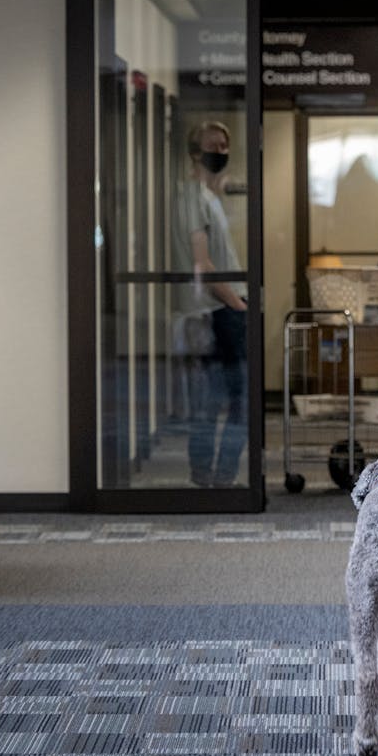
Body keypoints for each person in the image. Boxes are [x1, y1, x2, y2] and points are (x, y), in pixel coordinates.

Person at [171, 120, 247, 488]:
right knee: (227, 399)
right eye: (212, 145)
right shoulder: (190, 195)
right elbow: (203, 264)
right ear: (194, 152)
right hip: (215, 311)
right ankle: (214, 477)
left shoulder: (207, 195)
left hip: (222, 309)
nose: (220, 151)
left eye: (224, 144)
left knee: (222, 398)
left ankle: (216, 475)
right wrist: (238, 305)